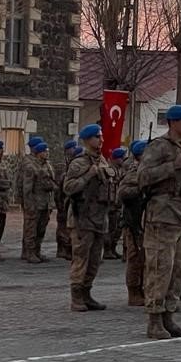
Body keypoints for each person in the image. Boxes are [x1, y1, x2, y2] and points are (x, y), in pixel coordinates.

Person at [138, 105, 181, 339]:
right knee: (160, 268)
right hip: (163, 216)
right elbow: (142, 177)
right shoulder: (159, 147)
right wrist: (172, 166)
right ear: (173, 122)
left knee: (178, 270)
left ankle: (169, 316)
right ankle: (154, 320)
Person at [63, 125, 118, 310]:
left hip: (100, 218)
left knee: (95, 260)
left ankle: (87, 293)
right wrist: (88, 175)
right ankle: (76, 297)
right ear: (87, 140)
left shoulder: (102, 160)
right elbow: (68, 188)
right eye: (97, 137)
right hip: (82, 218)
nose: (101, 140)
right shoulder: (79, 163)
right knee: (81, 259)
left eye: (101, 137)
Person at [119, 140, 148, 306]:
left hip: (144, 220)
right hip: (133, 221)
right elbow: (123, 192)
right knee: (135, 258)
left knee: (145, 258)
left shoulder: (147, 170)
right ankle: (134, 291)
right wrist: (141, 188)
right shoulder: (134, 172)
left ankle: (143, 288)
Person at [20, 141, 55, 263]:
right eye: (44, 151)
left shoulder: (47, 165)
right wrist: (28, 205)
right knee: (31, 229)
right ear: (38, 153)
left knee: (41, 229)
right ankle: (29, 252)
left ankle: (36, 251)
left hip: (45, 203)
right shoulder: (31, 167)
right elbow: (27, 189)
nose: (47, 153)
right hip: (35, 203)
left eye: (47, 151)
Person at [55, 139, 77, 260]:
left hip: (70, 201)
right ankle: (62, 249)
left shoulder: (74, 163)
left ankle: (68, 249)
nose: (74, 150)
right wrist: (59, 203)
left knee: (69, 227)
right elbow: (59, 187)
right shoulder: (62, 166)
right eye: (73, 148)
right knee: (63, 227)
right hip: (63, 200)